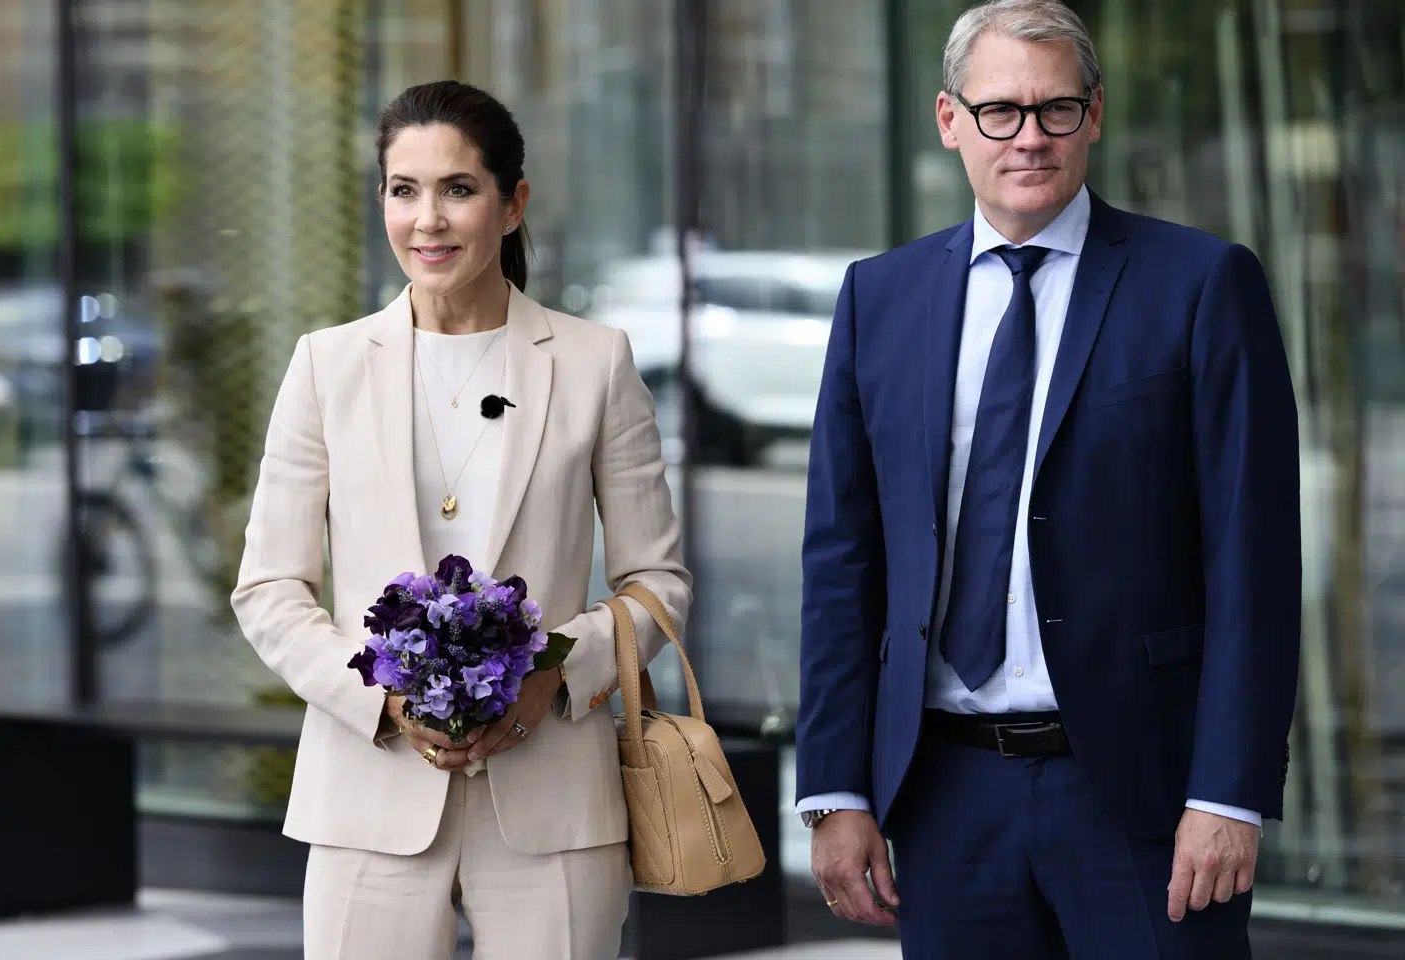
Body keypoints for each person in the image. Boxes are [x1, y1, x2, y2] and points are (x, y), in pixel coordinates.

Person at [794, 1, 1301, 956]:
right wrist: (836, 791)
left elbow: (1255, 559)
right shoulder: (880, 296)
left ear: (1095, 114)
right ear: (951, 121)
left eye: (1057, 109)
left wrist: (1227, 790)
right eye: (1001, 111)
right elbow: (842, 559)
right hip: (945, 797)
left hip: (1143, 796)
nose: (1030, 137)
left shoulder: (1200, 284)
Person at [232, 79, 691, 959]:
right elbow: (270, 588)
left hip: (554, 793)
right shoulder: (327, 366)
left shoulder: (595, 363)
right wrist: (382, 694)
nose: (428, 221)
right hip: (368, 792)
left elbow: (657, 584)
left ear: (512, 204)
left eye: (458, 189)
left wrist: (554, 677)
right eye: (405, 191)